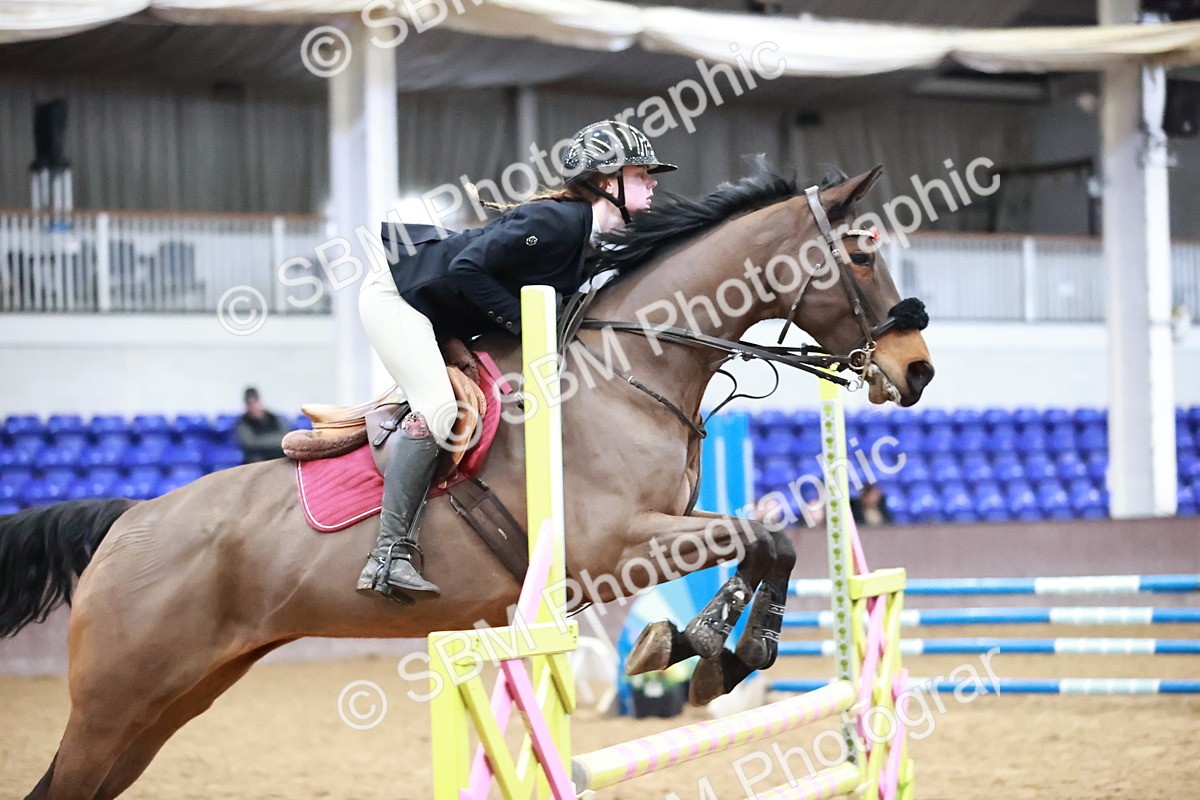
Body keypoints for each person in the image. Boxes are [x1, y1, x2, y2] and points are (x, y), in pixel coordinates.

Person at [356, 120, 676, 604]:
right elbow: (467, 269)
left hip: (442, 308)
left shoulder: (594, 243)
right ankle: (387, 555)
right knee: (440, 411)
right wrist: (527, 327)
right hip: (398, 298)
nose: (652, 182)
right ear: (607, 183)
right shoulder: (556, 223)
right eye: (641, 174)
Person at [235, 387, 289, 463]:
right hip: (258, 456)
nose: (253, 406)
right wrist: (275, 440)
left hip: (278, 453)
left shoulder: (273, 417)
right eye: (250, 403)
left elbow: (286, 435)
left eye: (255, 402)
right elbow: (251, 442)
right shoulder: (243, 422)